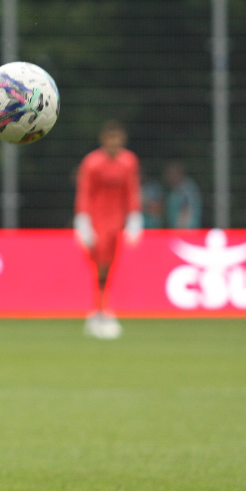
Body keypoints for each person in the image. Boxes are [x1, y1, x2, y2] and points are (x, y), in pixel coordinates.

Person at [73, 120, 142, 339]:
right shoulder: (92, 163)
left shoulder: (128, 162)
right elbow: (85, 191)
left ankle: (102, 311)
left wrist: (134, 216)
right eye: (110, 138)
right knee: (99, 267)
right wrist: (82, 219)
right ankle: (99, 311)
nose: (114, 143)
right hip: (96, 221)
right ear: (103, 140)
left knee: (110, 266)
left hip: (116, 222)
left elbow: (131, 190)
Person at [163, 160, 203, 229]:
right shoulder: (176, 189)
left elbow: (186, 211)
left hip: (185, 232)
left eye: (169, 173)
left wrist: (179, 231)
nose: (167, 176)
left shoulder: (186, 189)